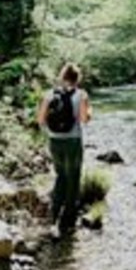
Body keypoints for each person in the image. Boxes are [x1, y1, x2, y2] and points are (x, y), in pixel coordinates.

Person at [37, 63, 92, 236]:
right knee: (73, 178)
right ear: (78, 78)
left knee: (61, 176)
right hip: (73, 141)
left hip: (54, 141)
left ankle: (53, 216)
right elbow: (84, 119)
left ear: (62, 77)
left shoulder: (50, 94)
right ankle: (68, 219)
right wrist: (89, 111)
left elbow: (40, 119)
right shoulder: (81, 95)